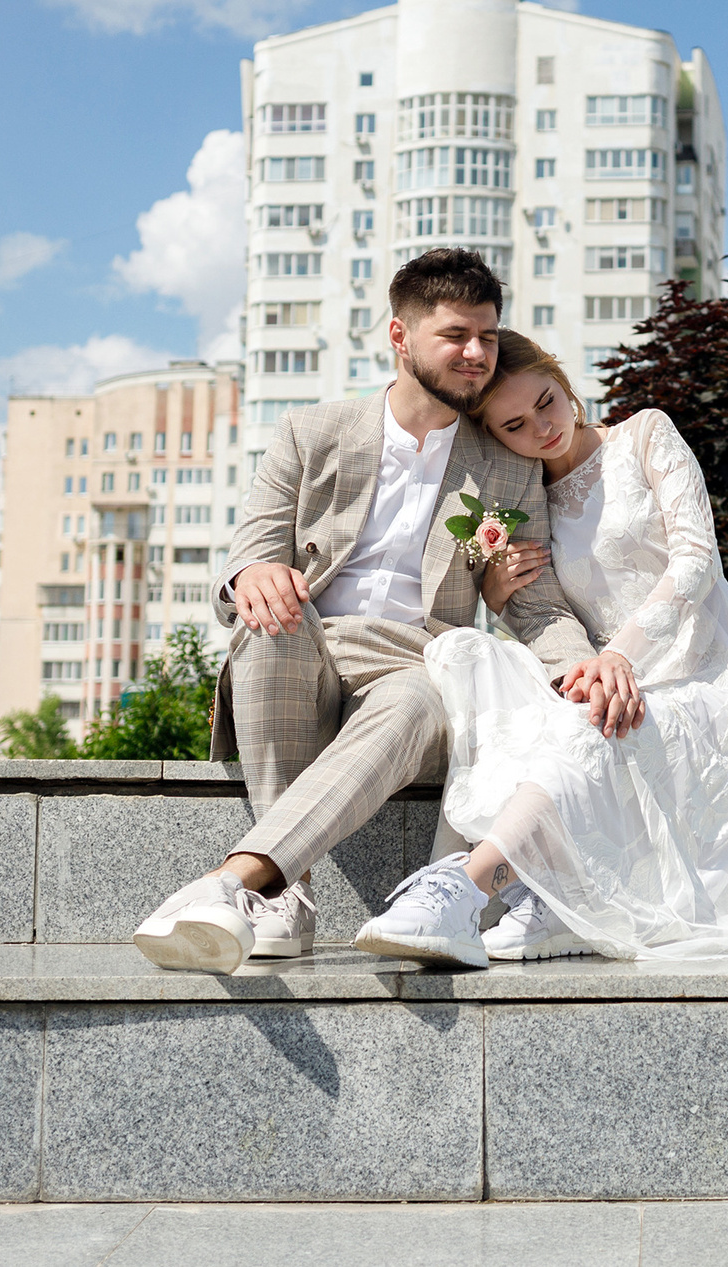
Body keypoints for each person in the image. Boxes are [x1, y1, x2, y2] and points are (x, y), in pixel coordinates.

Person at [132, 253, 633, 974]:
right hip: (306, 648)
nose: (476, 354)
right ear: (400, 337)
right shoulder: (312, 432)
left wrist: (582, 665)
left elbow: (534, 598)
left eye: (488, 336)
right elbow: (248, 550)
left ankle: (239, 886)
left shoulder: (506, 462)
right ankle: (287, 893)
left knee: (417, 695)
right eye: (456, 334)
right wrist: (253, 571)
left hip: (416, 665)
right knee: (268, 619)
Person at [347, 331, 728, 968]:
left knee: (590, 724)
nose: (541, 429)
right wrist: (497, 592)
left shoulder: (646, 435)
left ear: (561, 378)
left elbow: (696, 563)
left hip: (704, 667)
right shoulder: (524, 502)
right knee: (477, 659)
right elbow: (549, 621)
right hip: (604, 668)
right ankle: (551, 896)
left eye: (546, 402)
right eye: (514, 426)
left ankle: (464, 885)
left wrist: (621, 656)